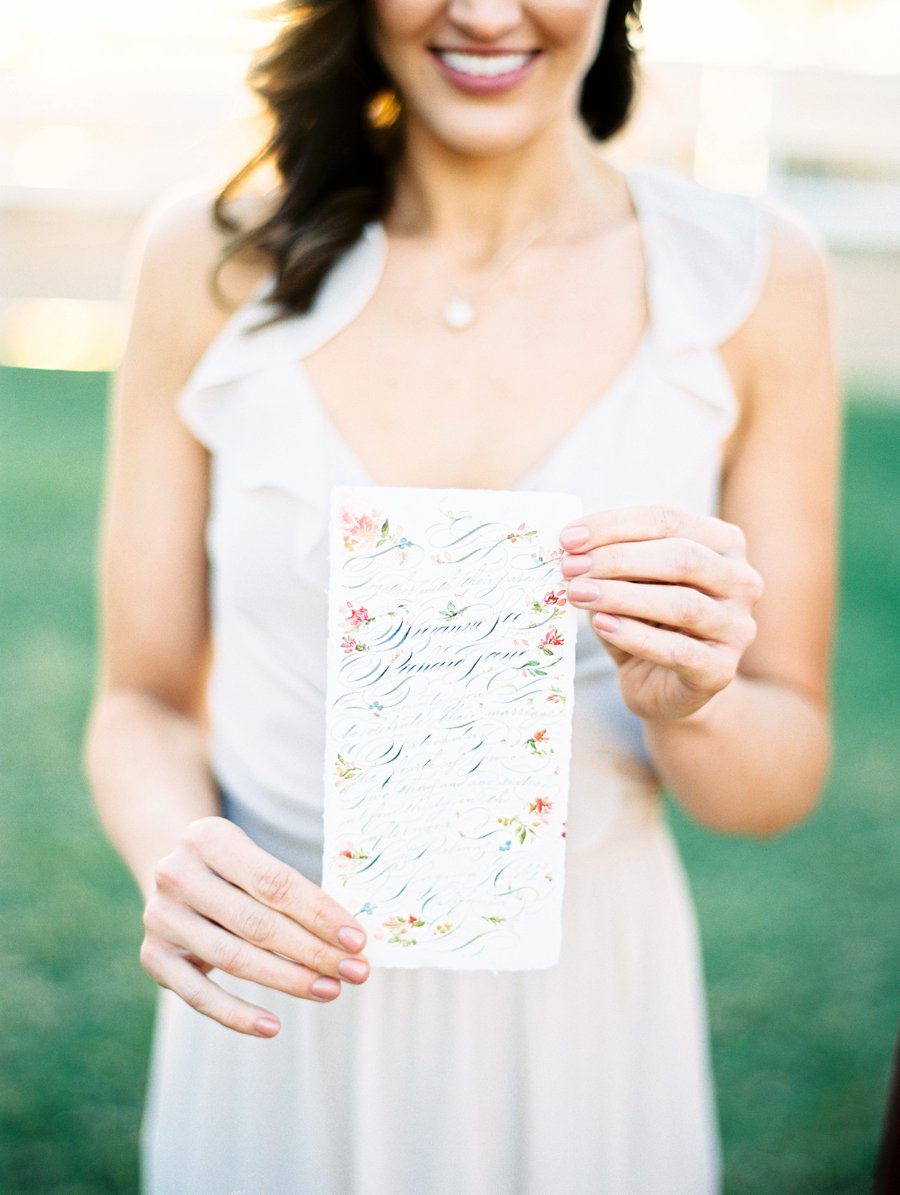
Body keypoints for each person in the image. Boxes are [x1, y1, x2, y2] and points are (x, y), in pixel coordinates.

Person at [84, 1, 838, 1192]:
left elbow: (780, 775)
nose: (485, 11)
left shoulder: (752, 278)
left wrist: (693, 698)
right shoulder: (214, 255)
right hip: (283, 1005)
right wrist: (177, 858)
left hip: (585, 1021)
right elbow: (139, 698)